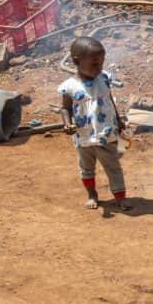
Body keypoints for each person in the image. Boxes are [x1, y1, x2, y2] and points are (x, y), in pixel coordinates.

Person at [58, 37, 131, 211]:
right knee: (86, 168)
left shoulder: (104, 78)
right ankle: (92, 194)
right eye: (94, 64)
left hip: (106, 134)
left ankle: (120, 198)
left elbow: (110, 101)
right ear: (77, 61)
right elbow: (65, 109)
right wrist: (67, 124)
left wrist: (119, 120)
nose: (99, 68)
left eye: (101, 63)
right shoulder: (69, 87)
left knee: (113, 167)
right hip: (84, 136)